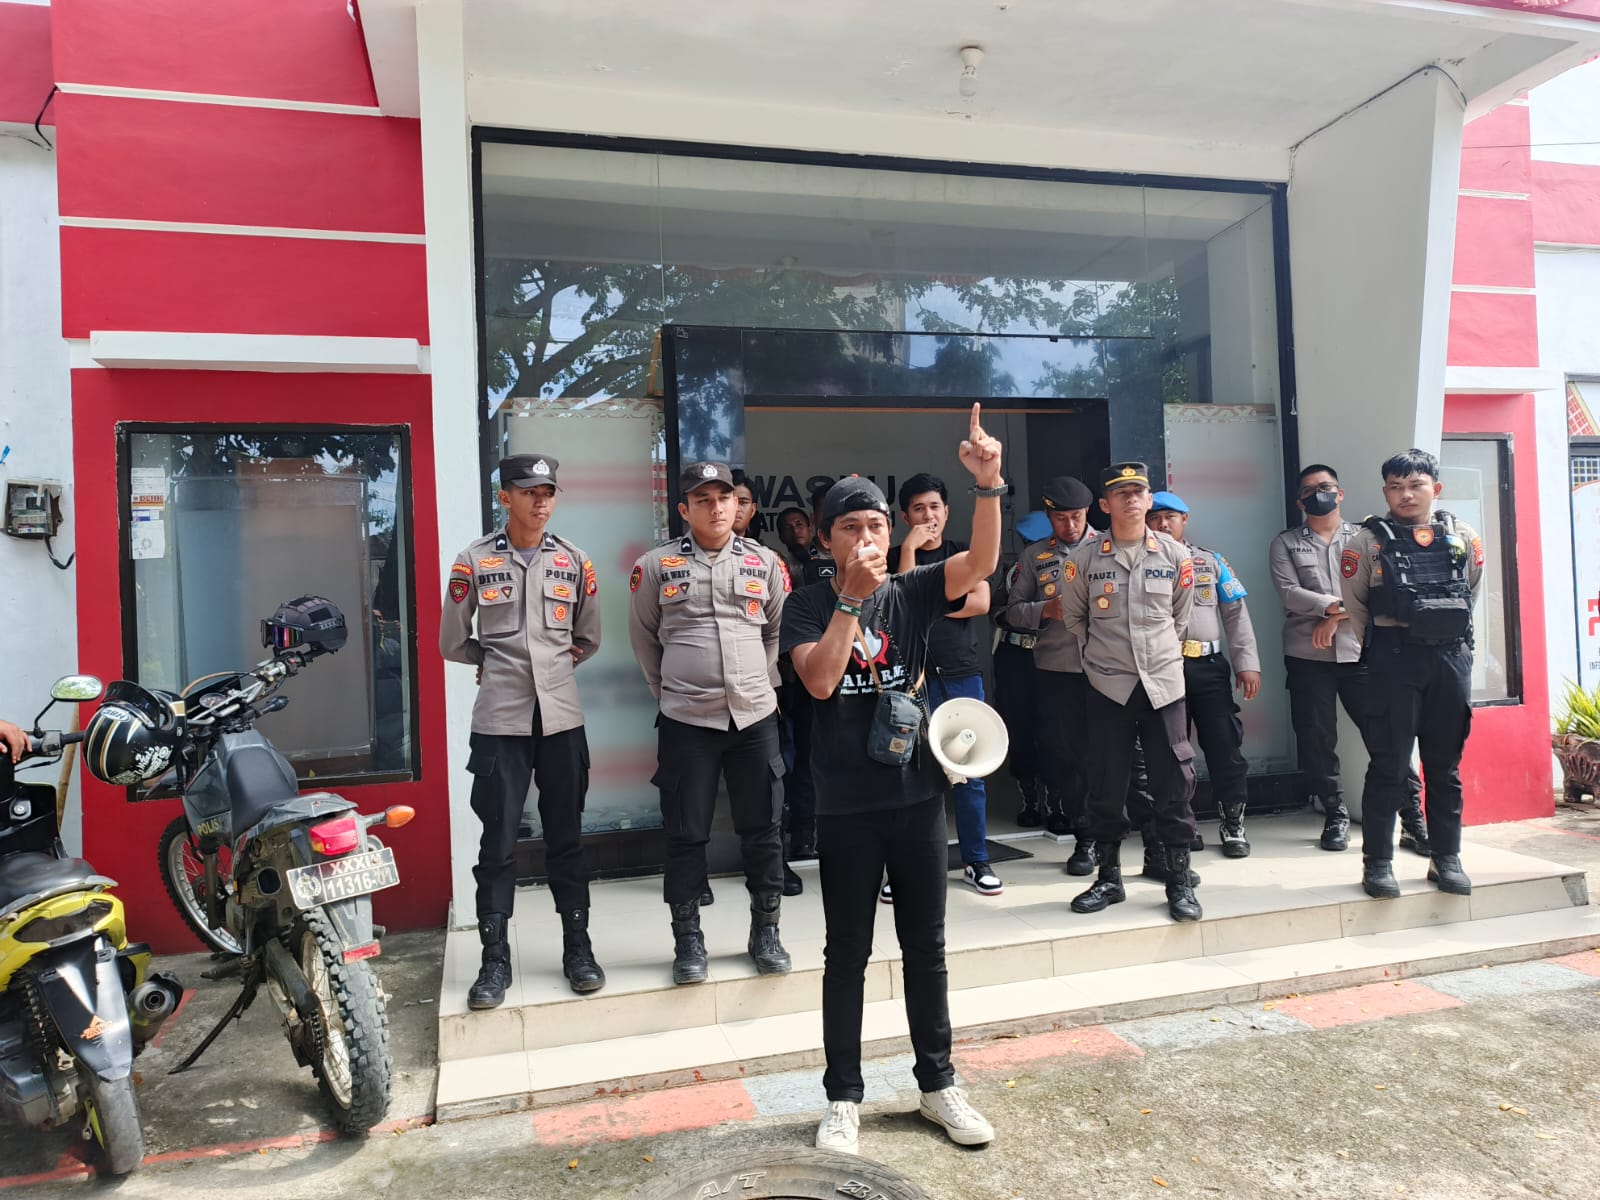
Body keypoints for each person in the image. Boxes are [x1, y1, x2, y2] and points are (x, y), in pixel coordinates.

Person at [784, 405, 1002, 1155]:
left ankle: (938, 1085)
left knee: (926, 949)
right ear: (826, 538)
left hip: (917, 799)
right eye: (850, 527)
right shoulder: (805, 604)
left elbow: (980, 563)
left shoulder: (912, 591)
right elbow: (819, 681)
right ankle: (843, 1097)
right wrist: (849, 600)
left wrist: (988, 484)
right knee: (845, 954)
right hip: (846, 805)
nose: (867, 538)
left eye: (876, 525)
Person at [439, 453, 605, 1007]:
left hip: (561, 721)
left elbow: (588, 637)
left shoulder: (575, 560)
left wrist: (549, 666)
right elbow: (452, 641)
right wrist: (492, 658)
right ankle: (493, 961)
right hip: (500, 723)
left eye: (548, 491)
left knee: (568, 840)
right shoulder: (474, 560)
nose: (540, 501)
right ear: (504, 496)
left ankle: (578, 949)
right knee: (498, 843)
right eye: (529, 491)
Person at [628, 462, 794, 983]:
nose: (717, 507)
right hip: (687, 720)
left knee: (764, 830)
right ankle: (688, 940)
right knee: (685, 832)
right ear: (684, 509)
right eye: (703, 499)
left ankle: (765, 931)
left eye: (725, 498)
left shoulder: (765, 562)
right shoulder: (656, 566)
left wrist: (754, 682)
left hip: (754, 717)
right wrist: (671, 691)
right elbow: (644, 638)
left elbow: (776, 632)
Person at [1060, 462, 1202, 923]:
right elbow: (1075, 619)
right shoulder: (1084, 559)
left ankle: (1178, 880)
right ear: (1104, 504)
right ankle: (1109, 878)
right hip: (1108, 685)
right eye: (1121, 493)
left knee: (1173, 782)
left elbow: (1180, 618)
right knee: (1106, 781)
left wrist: (1155, 657)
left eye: (1138, 491)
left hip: (1163, 684)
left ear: (1149, 499)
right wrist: (1105, 659)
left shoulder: (1176, 555)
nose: (1131, 499)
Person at [1340, 448, 1484, 899]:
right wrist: (1390, 643)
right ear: (1385, 492)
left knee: (1445, 767)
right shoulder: (1365, 542)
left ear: (1435, 489)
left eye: (1416, 485)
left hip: (1449, 659)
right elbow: (1355, 606)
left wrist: (1441, 633)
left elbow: (1471, 590)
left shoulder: (1463, 536)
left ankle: (1446, 858)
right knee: (1389, 766)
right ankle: (1378, 863)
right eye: (1396, 487)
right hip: (1393, 660)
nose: (1406, 494)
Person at [1268, 464, 1429, 854]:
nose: (1318, 494)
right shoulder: (1286, 543)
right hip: (1308, 657)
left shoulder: (1366, 537)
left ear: (1340, 493)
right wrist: (1337, 609)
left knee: (1386, 736)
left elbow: (1382, 589)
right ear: (1300, 502)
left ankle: (1412, 817)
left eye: (1326, 487)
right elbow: (1290, 593)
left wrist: (1334, 618)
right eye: (1309, 490)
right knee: (1317, 738)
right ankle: (1335, 812)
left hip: (1363, 653)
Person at [895, 472, 998, 896]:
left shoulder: (964, 554)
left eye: (934, 507)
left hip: (959, 673)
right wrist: (908, 551)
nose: (928, 516)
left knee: (968, 771)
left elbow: (982, 601)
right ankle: (906, 868)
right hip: (908, 680)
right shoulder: (892, 557)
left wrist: (929, 605)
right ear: (905, 517)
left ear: (947, 511)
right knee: (907, 774)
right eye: (918, 509)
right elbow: (900, 603)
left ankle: (977, 860)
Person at [1146, 492, 1261, 858]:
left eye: (1170, 516)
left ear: (1185, 519)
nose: (1163, 524)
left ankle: (1233, 823)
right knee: (1171, 752)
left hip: (1208, 667)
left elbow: (1235, 613)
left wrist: (1247, 663)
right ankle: (1184, 825)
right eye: (1155, 518)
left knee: (1224, 744)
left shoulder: (1210, 561)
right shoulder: (1141, 563)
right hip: (1164, 667)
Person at [989, 509, 1051, 827]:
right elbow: (995, 608)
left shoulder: (1067, 566)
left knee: (1054, 730)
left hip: (1053, 655)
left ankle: (1057, 804)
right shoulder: (1014, 571)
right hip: (1016, 654)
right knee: (1019, 728)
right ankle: (1029, 800)